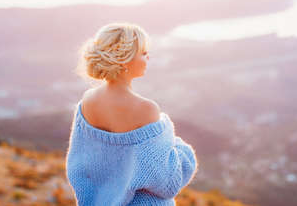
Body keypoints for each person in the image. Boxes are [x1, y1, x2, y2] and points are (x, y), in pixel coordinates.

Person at [65, 22, 198, 205]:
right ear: (124, 59)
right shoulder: (146, 109)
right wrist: (181, 148)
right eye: (143, 53)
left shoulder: (87, 102)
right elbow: (169, 182)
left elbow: (80, 168)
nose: (148, 58)